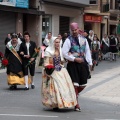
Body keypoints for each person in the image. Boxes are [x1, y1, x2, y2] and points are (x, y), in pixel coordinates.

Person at [62, 22, 92, 111]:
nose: (74, 31)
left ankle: (73, 95)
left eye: (75, 30)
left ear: (78, 29)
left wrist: (90, 63)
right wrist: (74, 59)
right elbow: (64, 53)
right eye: (72, 30)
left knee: (83, 84)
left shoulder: (84, 39)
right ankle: (76, 104)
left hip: (83, 64)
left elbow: (87, 51)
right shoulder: (68, 40)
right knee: (75, 84)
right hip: (73, 65)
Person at [41, 37, 77, 110]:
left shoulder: (61, 50)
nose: (57, 44)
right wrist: (50, 67)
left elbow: (62, 61)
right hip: (52, 70)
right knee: (55, 87)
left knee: (64, 87)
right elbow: (45, 63)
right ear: (52, 43)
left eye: (58, 42)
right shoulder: (48, 51)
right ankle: (55, 103)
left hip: (61, 70)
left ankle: (64, 102)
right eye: (56, 42)